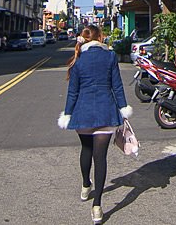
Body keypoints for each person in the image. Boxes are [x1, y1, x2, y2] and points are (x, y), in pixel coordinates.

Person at [58, 25, 132, 224]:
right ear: (100, 38)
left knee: (86, 149)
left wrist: (68, 113)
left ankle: (85, 185)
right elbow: (116, 85)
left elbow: (73, 91)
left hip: (83, 112)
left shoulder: (79, 59)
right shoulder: (109, 56)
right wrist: (123, 107)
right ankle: (97, 206)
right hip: (105, 111)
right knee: (101, 158)